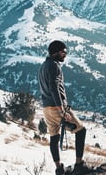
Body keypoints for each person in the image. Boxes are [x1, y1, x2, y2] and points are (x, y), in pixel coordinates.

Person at [38, 40, 90, 175]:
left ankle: (59, 169)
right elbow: (54, 87)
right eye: (63, 52)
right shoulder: (54, 66)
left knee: (54, 136)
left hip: (46, 108)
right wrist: (62, 110)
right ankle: (79, 165)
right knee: (81, 130)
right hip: (57, 107)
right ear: (56, 52)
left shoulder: (44, 65)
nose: (65, 54)